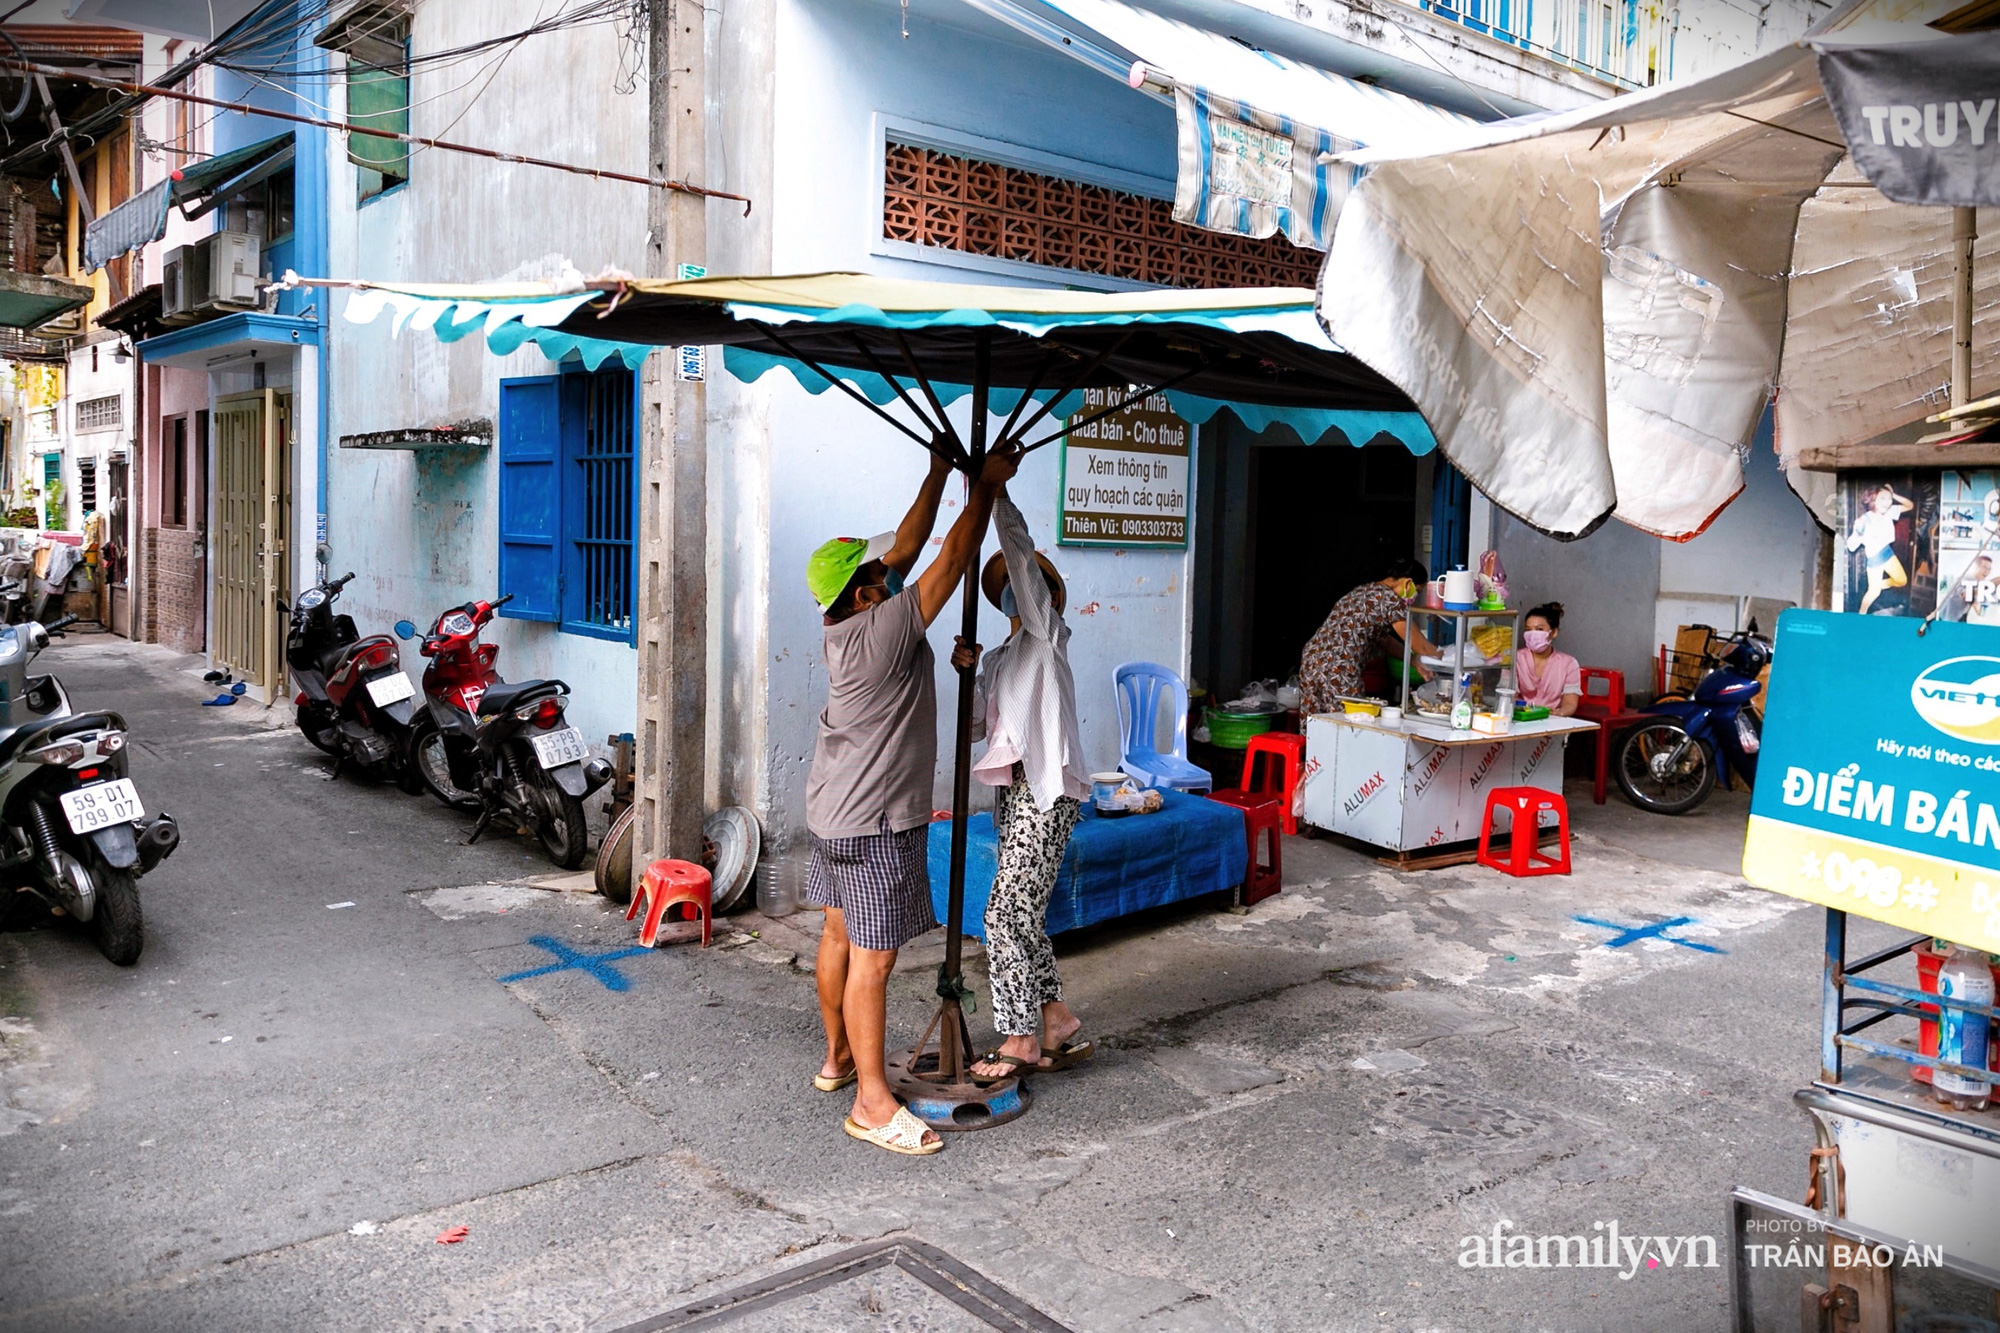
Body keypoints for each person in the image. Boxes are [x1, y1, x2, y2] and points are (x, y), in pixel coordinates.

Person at [802, 445, 1019, 1157]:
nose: (888, 569)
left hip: (832, 809)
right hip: (874, 819)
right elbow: (949, 560)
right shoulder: (885, 627)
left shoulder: (847, 620)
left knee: (837, 937)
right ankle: (871, 1101)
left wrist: (936, 472)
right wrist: (981, 490)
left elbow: (910, 542)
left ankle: (836, 1061)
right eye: (877, 573)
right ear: (865, 594)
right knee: (876, 959)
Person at [946, 489, 1093, 1083]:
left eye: (1024, 581)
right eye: (1006, 583)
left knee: (1003, 913)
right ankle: (1055, 1017)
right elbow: (979, 728)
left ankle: (1020, 1037)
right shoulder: (1002, 657)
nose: (1016, 588)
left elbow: (1020, 553)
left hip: (1046, 791)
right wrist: (965, 674)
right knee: (1024, 914)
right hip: (1013, 794)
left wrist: (997, 493)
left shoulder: (1047, 636)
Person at [1298, 556, 1438, 714]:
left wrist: (1413, 661)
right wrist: (1450, 658)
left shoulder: (1364, 590)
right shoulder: (1391, 601)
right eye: (1417, 591)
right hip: (1337, 668)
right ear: (1407, 583)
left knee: (1315, 724)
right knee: (1347, 721)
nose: (1415, 597)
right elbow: (1421, 646)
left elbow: (1383, 640)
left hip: (1311, 661)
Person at [1847, 483, 1913, 614]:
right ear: (1873, 499)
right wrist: (1858, 533)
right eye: (1883, 498)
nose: (1887, 502)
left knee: (1901, 581)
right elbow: (1851, 546)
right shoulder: (1864, 520)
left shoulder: (1890, 512)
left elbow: (1910, 506)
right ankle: (1861, 616)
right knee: (1874, 593)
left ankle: (1879, 585)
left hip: (1887, 552)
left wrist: (1892, 494)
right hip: (1875, 558)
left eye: (1889, 499)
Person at [1513, 602, 1582, 716]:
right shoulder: (1515, 659)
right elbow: (1508, 696)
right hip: (1521, 717)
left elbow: (1570, 702)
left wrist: (1560, 713)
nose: (1532, 634)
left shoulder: (1568, 663)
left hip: (1552, 719)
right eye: (1528, 629)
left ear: (1553, 632)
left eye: (1539, 629)